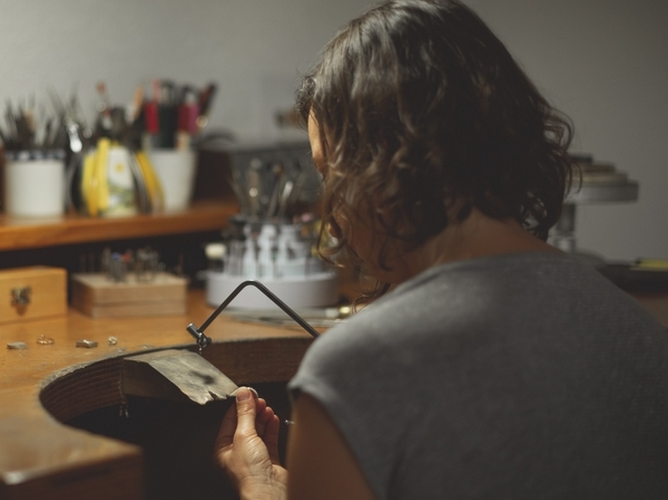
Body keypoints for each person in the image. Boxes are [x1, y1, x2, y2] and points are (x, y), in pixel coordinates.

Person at [212, 0, 668, 498]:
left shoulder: (357, 369)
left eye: (327, 173)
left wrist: (260, 491)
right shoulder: (641, 332)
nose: (332, 213)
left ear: (380, 164)